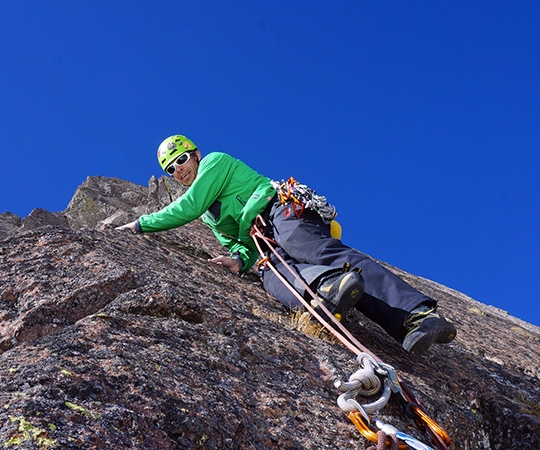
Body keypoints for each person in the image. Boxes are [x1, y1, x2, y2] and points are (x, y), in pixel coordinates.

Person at [116, 135, 456, 355]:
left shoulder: (215, 163)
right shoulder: (209, 217)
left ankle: (416, 315)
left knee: (310, 247)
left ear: (196, 154)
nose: (178, 171)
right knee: (271, 277)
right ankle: (326, 288)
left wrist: (141, 223)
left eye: (181, 161)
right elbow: (241, 244)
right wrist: (239, 260)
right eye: (171, 169)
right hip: (265, 242)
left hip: (279, 210)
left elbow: (186, 207)